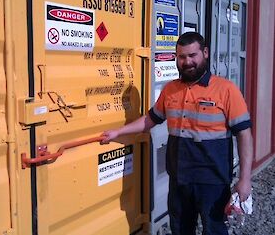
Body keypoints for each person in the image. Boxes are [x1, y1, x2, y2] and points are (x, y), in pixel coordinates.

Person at [101, 32, 253, 235]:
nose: (187, 62)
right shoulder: (170, 90)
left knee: (214, 230)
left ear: (205, 53)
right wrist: (118, 132)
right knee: (180, 230)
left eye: (192, 55)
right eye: (181, 57)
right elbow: (150, 120)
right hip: (179, 179)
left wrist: (245, 179)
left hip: (213, 182)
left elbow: (244, 135)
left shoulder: (226, 90)